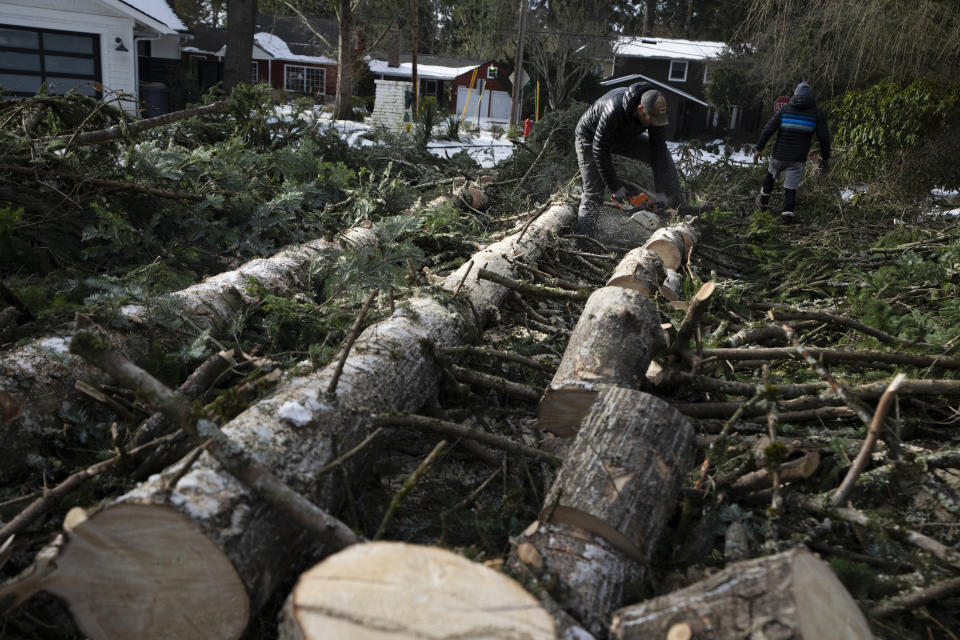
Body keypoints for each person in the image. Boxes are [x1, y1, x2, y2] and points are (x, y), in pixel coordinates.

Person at [574, 82, 683, 237]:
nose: (654, 125)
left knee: (663, 153)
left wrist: (661, 191)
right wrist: (615, 188)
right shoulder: (614, 109)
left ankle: (678, 204)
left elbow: (658, 150)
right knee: (593, 193)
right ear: (640, 110)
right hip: (590, 138)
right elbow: (600, 150)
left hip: (621, 136)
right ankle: (583, 239)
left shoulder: (655, 110)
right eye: (651, 122)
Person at [753, 81, 831, 225]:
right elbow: (824, 138)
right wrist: (825, 158)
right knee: (791, 189)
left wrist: (759, 148)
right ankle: (786, 220)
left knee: (771, 175)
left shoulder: (784, 109)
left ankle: (763, 202)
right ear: (810, 97)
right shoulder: (816, 114)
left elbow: (768, 129)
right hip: (798, 159)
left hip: (779, 155)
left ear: (795, 94)